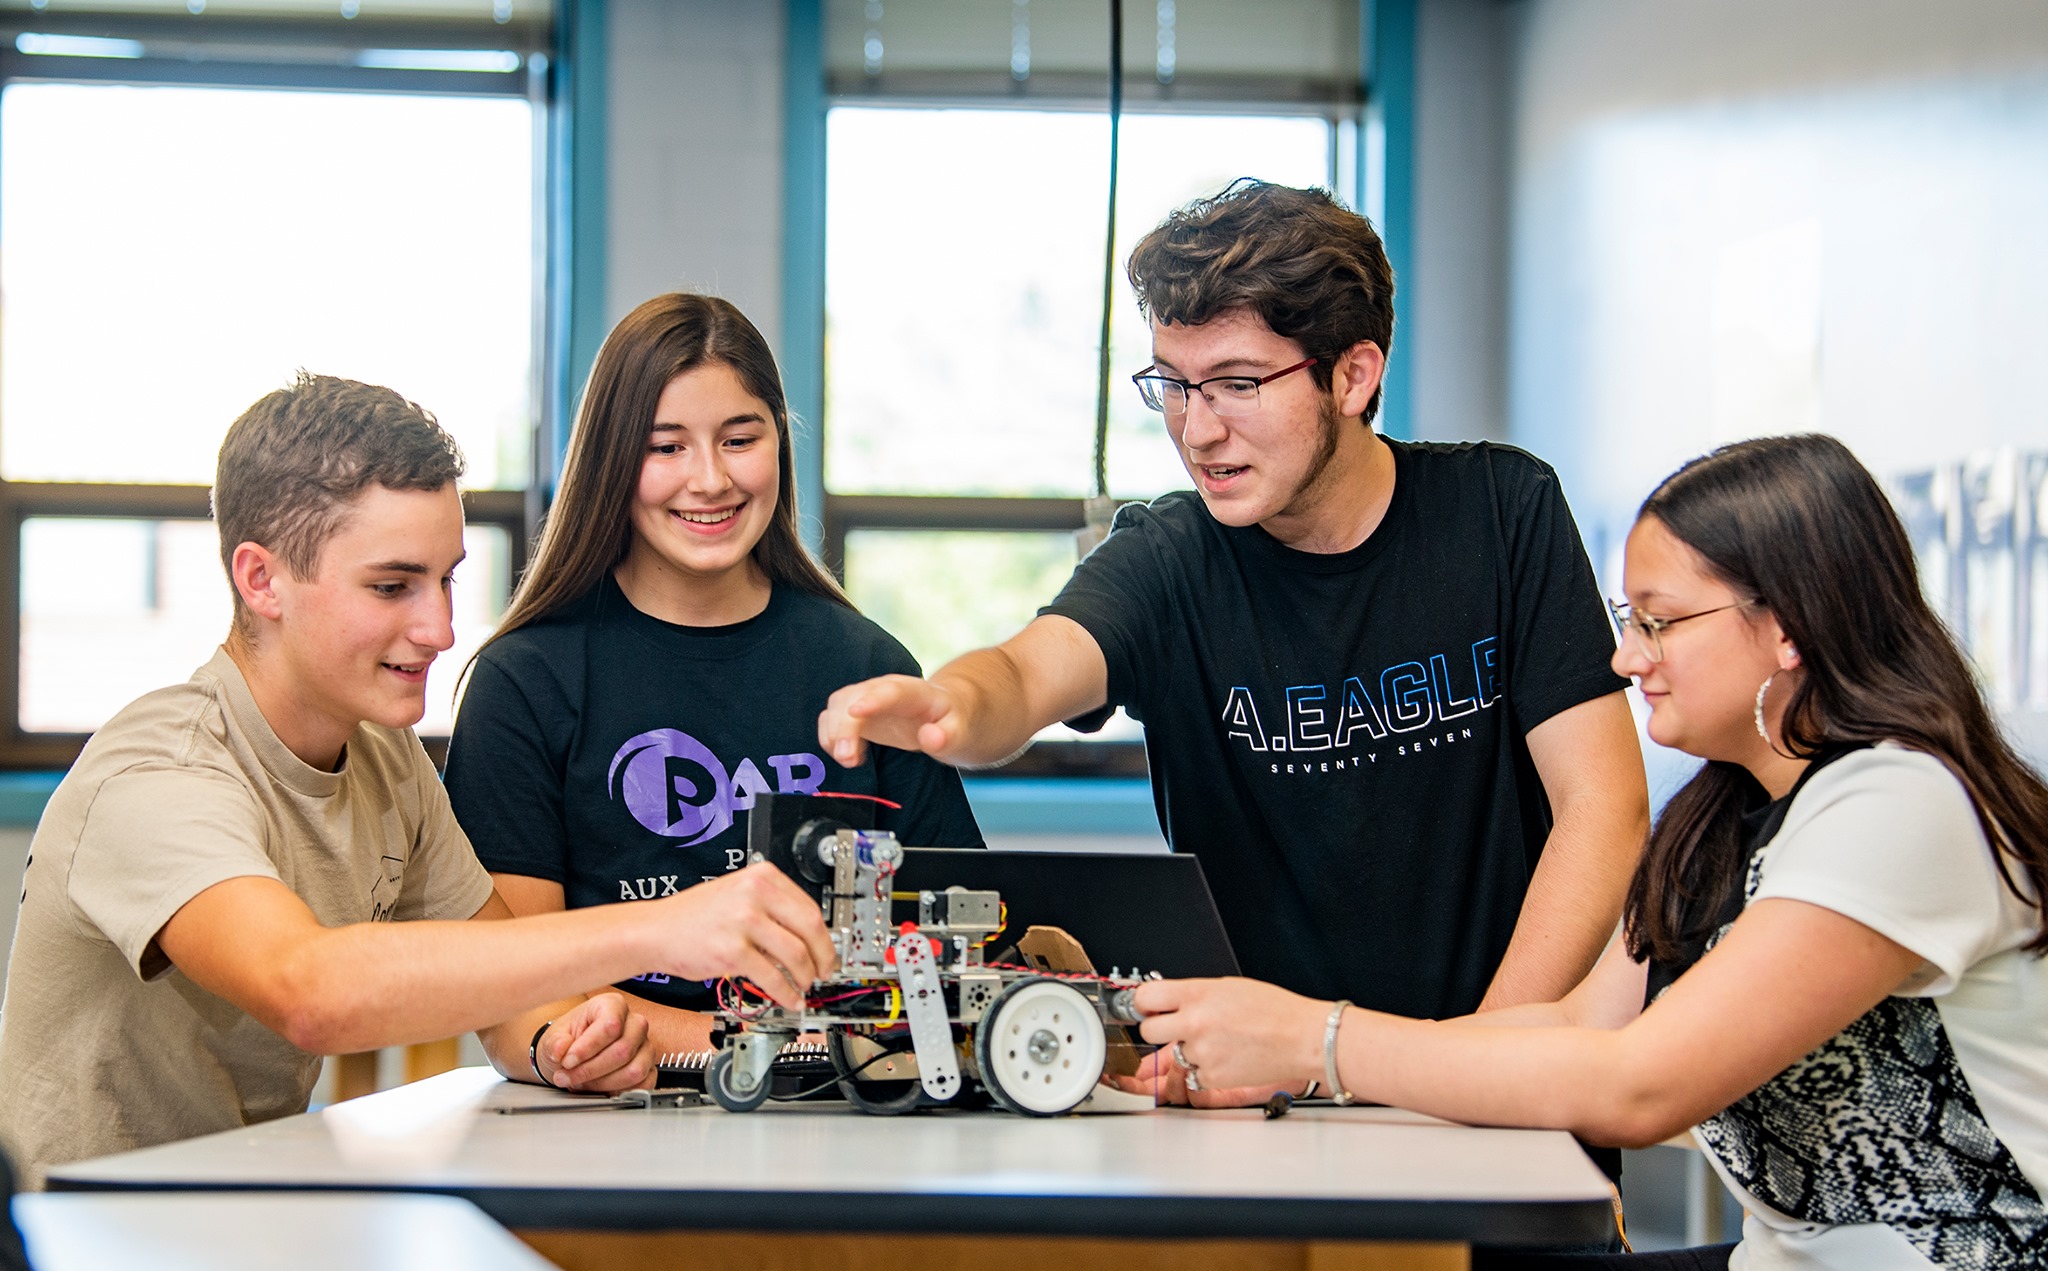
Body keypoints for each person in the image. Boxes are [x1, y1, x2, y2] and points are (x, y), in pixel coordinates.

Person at [1134, 434, 2048, 1269]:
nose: (1624, 657)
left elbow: (1642, 1084)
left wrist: (1316, 1037)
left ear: (1787, 627)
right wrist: (1288, 1066)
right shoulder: (1721, 821)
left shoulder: (1902, 803)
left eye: (1659, 621)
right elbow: (1579, 1026)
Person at [819, 181, 1648, 1101]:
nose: (1198, 428)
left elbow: (1603, 809)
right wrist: (954, 704)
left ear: (1354, 375)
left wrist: (1461, 1072)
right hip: (1260, 1108)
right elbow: (1024, 671)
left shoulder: (1502, 513)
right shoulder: (1172, 559)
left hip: (1503, 1097)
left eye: (1239, 384)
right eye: (1172, 384)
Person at [0, 374, 836, 1188]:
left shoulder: (385, 760)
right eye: (392, 585)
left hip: (243, 1211)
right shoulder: (159, 772)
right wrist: (663, 927)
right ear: (262, 581)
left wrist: (561, 1041)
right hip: (83, 1235)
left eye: (446, 578)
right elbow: (311, 990)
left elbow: (509, 992)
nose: (439, 628)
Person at [444, 293, 982, 1058]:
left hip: (845, 1112)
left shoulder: (866, 667)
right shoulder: (525, 683)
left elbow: (959, 937)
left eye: (739, 438)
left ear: (779, 444)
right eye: (666, 447)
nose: (710, 480)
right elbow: (519, 994)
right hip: (615, 1118)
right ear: (610, 459)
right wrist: (753, 1048)